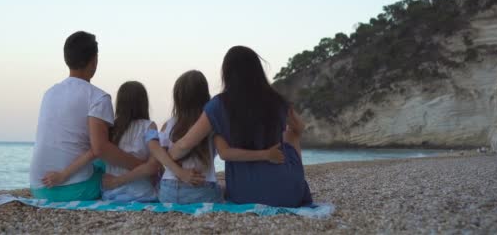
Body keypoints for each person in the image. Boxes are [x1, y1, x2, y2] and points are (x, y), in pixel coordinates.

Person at [104, 70, 284, 204]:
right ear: (205, 95)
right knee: (224, 191)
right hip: (201, 192)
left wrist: (179, 173)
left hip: (166, 192)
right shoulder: (212, 124)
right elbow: (226, 154)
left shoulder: (168, 124)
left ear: (178, 97)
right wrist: (265, 154)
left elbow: (156, 150)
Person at [169, 46, 313, 207]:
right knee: (291, 135)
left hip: (244, 193)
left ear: (226, 73)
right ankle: (292, 181)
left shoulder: (218, 105)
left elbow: (185, 144)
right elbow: (299, 128)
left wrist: (169, 155)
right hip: (289, 194)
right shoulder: (277, 101)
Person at [29, 31, 143, 201]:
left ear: (67, 59)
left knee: (98, 158)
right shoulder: (98, 97)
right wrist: (140, 166)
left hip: (38, 187)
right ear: (94, 60)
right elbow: (100, 148)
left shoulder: (50, 93)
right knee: (110, 163)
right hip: (72, 191)